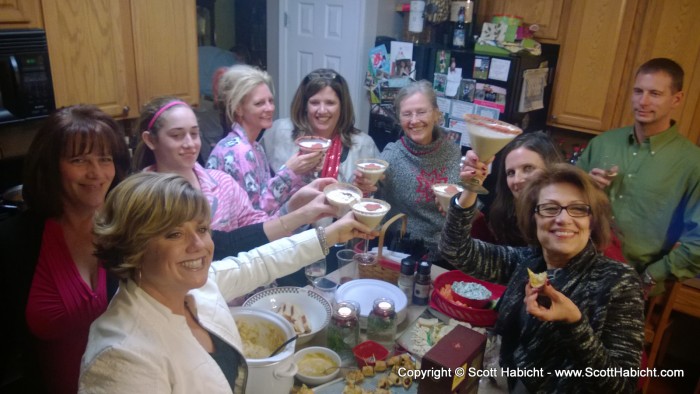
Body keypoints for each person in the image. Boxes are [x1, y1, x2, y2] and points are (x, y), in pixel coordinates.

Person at [79, 172, 375, 393]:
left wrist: (332, 234)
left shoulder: (190, 287)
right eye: (174, 234)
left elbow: (256, 263)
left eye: (202, 228)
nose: (200, 245)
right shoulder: (121, 357)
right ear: (134, 247)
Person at [440, 163, 644, 392]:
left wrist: (574, 324)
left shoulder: (618, 281)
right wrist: (470, 189)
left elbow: (622, 386)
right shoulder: (529, 261)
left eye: (578, 209)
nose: (564, 219)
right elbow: (455, 249)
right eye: (549, 208)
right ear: (533, 217)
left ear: (592, 221)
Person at [0, 105, 130, 394]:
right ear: (50, 166)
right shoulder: (15, 242)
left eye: (105, 159)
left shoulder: (124, 230)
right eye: (79, 159)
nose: (96, 173)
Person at [133, 96, 335, 259]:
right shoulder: (143, 199)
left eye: (194, 134)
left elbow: (257, 230)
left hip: (238, 294)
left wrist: (295, 205)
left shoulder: (222, 183)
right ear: (150, 140)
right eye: (177, 136)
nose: (189, 143)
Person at [577, 58, 700, 295]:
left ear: (676, 99)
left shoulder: (692, 163)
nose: (643, 101)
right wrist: (584, 187)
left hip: (632, 283)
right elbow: (560, 200)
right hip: (577, 265)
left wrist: (651, 276)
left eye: (655, 93)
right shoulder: (603, 143)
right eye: (638, 91)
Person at [356, 80, 461, 259]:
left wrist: (459, 205)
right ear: (399, 119)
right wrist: (363, 186)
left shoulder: (452, 153)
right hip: (399, 249)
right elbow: (368, 198)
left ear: (436, 114)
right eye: (406, 114)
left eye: (421, 112)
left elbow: (466, 211)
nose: (414, 121)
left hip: (444, 249)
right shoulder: (392, 155)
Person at [206, 65, 320, 215]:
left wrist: (303, 172)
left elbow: (271, 200)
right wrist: (289, 171)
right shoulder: (239, 152)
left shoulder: (255, 147)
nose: (270, 108)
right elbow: (256, 215)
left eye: (270, 101)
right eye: (259, 103)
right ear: (238, 108)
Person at [261, 68, 380, 183]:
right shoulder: (279, 132)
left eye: (330, 103)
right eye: (314, 102)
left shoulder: (363, 145)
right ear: (304, 106)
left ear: (342, 107)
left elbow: (372, 192)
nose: (322, 110)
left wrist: (363, 187)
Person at [472, 131, 563, 246]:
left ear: (552, 169)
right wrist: (473, 218)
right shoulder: (506, 215)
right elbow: (494, 256)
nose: (517, 180)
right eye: (511, 173)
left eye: (528, 168)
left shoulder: (564, 221)